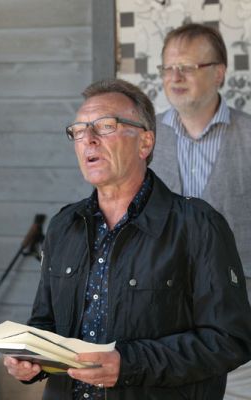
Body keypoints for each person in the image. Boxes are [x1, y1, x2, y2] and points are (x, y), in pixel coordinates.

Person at [3, 78, 251, 400]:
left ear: (145, 143)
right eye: (78, 131)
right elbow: (46, 321)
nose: (88, 139)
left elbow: (230, 340)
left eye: (105, 126)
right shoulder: (64, 226)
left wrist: (129, 364)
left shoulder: (198, 225)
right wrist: (32, 359)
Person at [151, 23, 251, 400]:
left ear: (219, 73)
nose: (175, 77)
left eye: (188, 67)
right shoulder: (142, 139)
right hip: (160, 318)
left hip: (239, 318)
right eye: (168, 67)